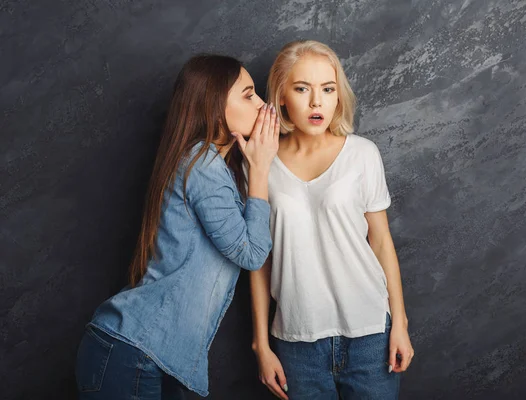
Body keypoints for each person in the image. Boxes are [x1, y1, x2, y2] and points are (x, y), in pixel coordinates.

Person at [75, 54, 279, 399]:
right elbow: (252, 252)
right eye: (248, 95)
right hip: (134, 351)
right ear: (213, 105)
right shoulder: (202, 166)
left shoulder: (209, 164)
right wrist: (260, 170)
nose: (262, 106)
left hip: (144, 354)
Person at [250, 40, 414, 400]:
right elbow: (258, 258)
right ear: (281, 96)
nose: (316, 102)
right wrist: (262, 345)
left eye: (327, 89)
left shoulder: (362, 155)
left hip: (371, 336)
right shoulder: (260, 164)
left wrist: (398, 324)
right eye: (302, 88)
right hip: (296, 344)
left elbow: (382, 242)